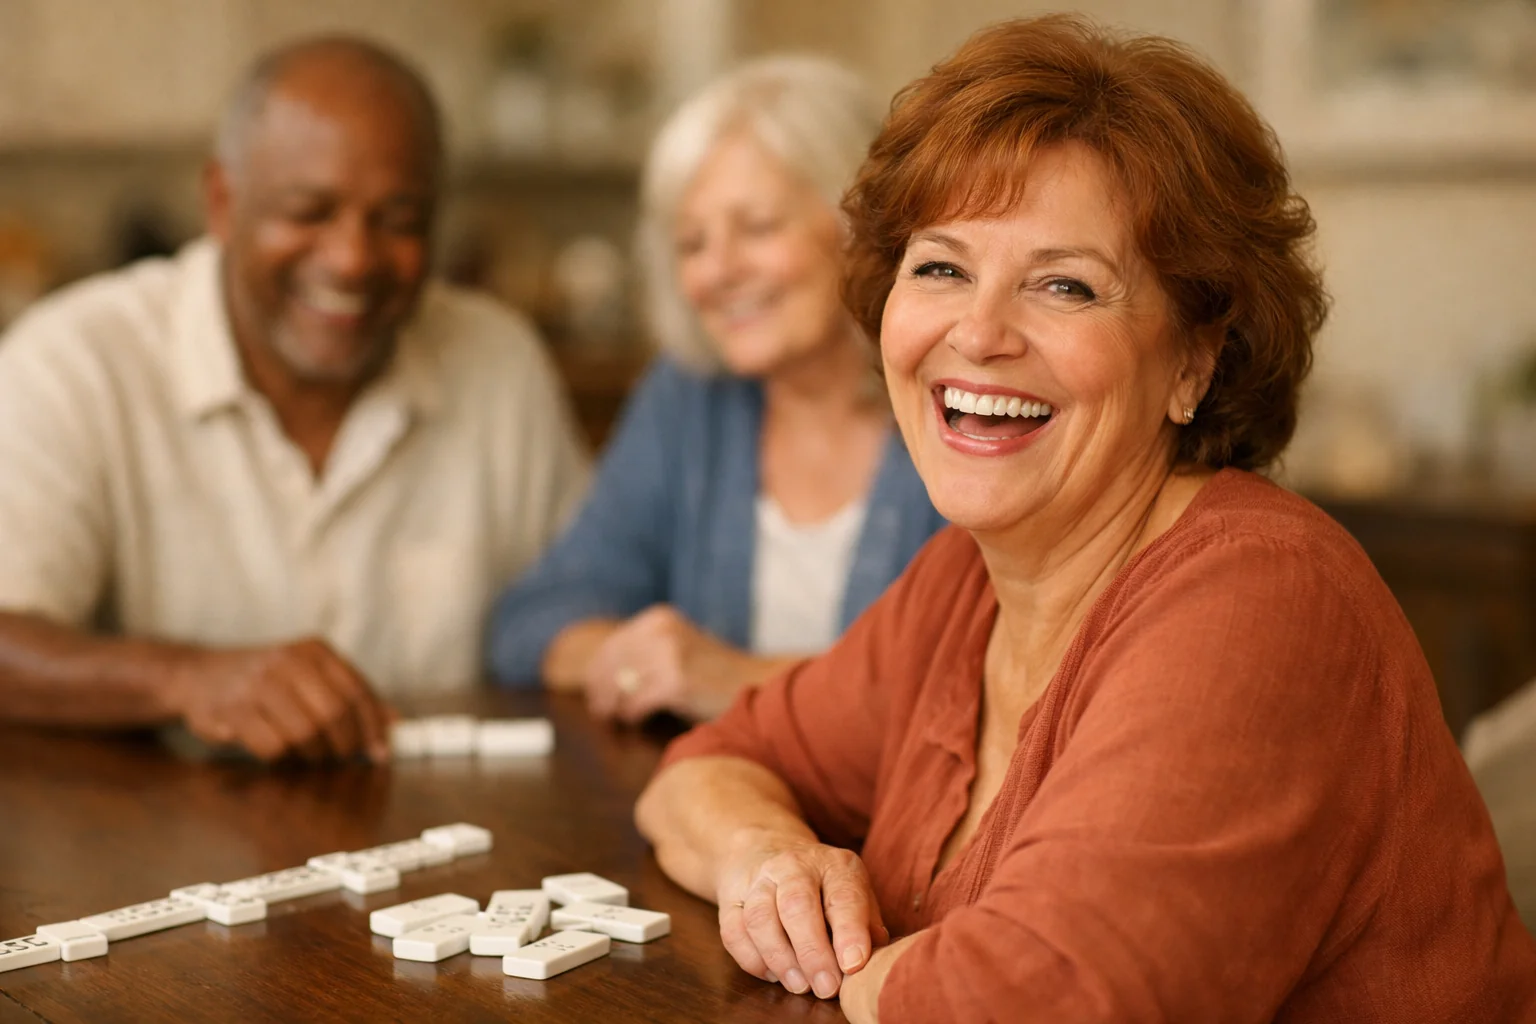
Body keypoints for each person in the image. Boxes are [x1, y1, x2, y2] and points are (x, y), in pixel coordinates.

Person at [636, 16, 1536, 1022]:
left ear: (1193, 361)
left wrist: (859, 970)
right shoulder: (964, 584)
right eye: (939, 267)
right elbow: (704, 768)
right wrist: (769, 859)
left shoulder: (1261, 602)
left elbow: (1037, 1000)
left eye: (1065, 285)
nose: (977, 334)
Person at [0, 37, 588, 763]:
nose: (351, 258)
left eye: (398, 220)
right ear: (222, 203)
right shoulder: (76, 361)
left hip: (446, 839)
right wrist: (185, 677)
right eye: (309, 211)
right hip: (147, 853)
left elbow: (577, 608)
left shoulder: (501, 363)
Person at [485, 57, 945, 723]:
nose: (718, 270)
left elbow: (984, 680)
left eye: (757, 227)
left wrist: (741, 681)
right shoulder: (688, 397)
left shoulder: (961, 399)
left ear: (865, 226)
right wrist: (646, 658)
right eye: (692, 242)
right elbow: (534, 621)